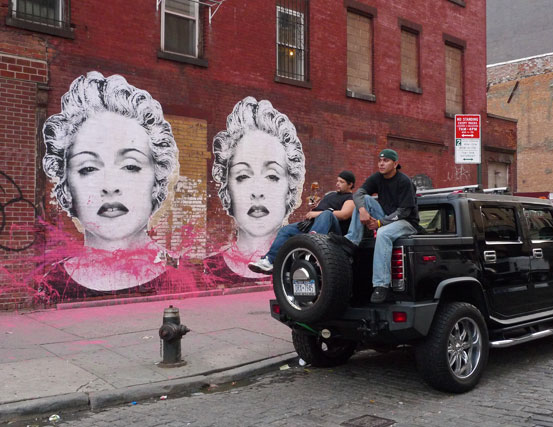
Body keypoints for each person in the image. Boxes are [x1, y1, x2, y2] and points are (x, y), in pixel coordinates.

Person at [39, 71, 187, 301]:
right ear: (66, 187)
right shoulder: (52, 288)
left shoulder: (184, 280)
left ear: (157, 181)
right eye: (88, 168)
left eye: (130, 166)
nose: (110, 186)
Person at [206, 96, 305, 282]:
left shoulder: (305, 265)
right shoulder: (208, 270)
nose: (257, 191)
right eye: (243, 176)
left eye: (272, 176)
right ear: (227, 188)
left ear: (291, 188)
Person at [331, 149, 419, 303]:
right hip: (386, 217)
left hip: (407, 222)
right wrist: (362, 210)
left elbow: (404, 211)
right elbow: (358, 194)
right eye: (380, 160)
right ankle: (352, 241)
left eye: (386, 161)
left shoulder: (405, 181)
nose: (381, 163)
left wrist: (379, 223)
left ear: (395, 164)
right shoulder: (377, 178)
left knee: (384, 233)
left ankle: (381, 286)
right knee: (364, 199)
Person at [247, 170, 356, 274]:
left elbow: (344, 215)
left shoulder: (351, 198)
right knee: (286, 230)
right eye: (337, 181)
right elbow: (319, 209)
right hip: (313, 225)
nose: (337, 184)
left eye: (341, 182)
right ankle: (269, 261)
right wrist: (315, 207)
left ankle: (312, 246)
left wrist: (318, 213)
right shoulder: (331, 195)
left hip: (332, 232)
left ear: (350, 184)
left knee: (327, 214)